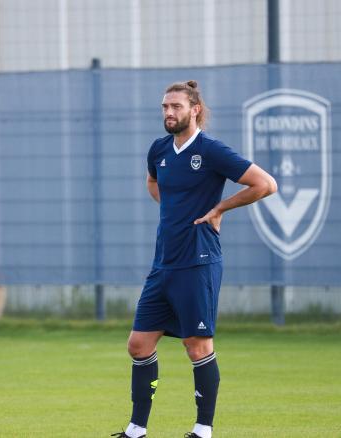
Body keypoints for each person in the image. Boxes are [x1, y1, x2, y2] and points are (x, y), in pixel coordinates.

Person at [112, 81, 277, 438]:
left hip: (199, 261)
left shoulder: (211, 150)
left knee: (197, 345)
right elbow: (153, 183)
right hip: (164, 263)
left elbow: (265, 184)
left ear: (195, 109)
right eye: (164, 107)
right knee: (138, 344)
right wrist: (175, 209)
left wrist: (220, 207)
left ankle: (203, 430)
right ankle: (136, 429)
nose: (169, 113)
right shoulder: (158, 150)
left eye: (176, 107)